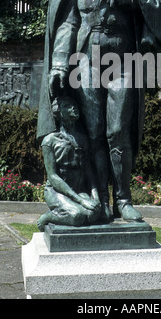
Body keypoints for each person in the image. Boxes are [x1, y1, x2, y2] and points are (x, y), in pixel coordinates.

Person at [37, 0, 161, 223]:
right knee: (93, 134)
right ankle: (102, 201)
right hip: (86, 61)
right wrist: (58, 63)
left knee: (118, 130)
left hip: (123, 60)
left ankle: (124, 199)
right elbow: (67, 22)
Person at [37, 96, 101, 231]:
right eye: (67, 106)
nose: (74, 108)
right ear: (59, 113)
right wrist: (81, 200)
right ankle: (49, 217)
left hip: (78, 189)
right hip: (57, 191)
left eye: (74, 105)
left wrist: (95, 197)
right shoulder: (50, 141)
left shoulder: (82, 138)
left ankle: (71, 210)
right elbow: (53, 177)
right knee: (76, 215)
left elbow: (88, 170)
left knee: (95, 213)